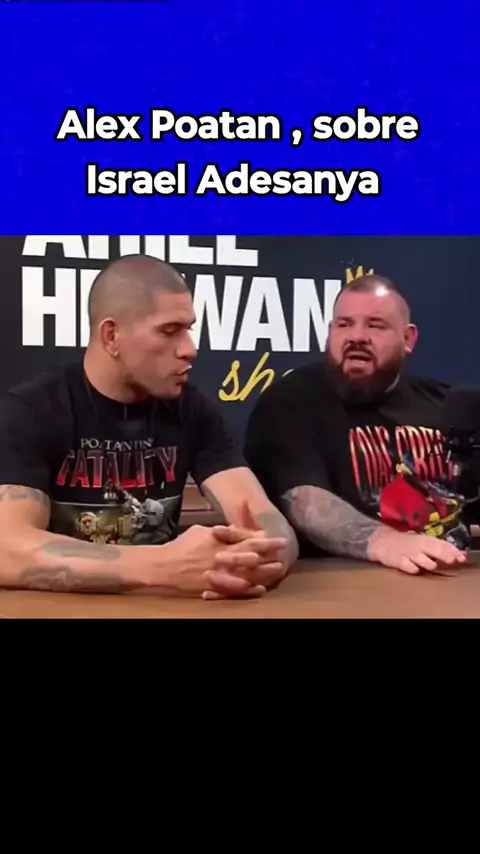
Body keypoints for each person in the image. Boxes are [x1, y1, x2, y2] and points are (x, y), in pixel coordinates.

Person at [0, 254, 298, 598]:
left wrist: (263, 556)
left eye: (188, 330)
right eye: (169, 331)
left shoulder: (191, 409)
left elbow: (262, 516)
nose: (189, 349)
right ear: (111, 336)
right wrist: (161, 567)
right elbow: (6, 547)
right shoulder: (30, 411)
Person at [244, 274, 475, 576]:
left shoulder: (443, 403)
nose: (357, 336)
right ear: (330, 332)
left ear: (408, 339)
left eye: (375, 325)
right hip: (345, 583)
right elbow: (305, 503)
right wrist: (387, 543)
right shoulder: (291, 401)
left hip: (456, 578)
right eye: (345, 324)